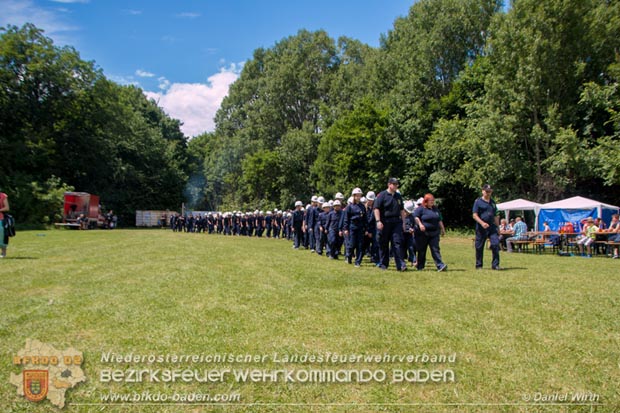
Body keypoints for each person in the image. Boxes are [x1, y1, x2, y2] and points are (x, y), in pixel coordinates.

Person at [373, 177, 407, 271]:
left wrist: (404, 223)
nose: (396, 186)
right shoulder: (382, 195)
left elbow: (401, 210)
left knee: (397, 243)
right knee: (384, 244)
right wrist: (378, 221)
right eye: (394, 184)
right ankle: (384, 264)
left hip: (396, 222)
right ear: (389, 184)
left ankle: (400, 265)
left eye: (397, 184)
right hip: (385, 222)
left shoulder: (398, 196)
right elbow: (376, 208)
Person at [413, 194, 447, 272]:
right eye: (430, 200)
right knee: (422, 250)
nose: (432, 202)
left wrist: (442, 229)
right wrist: (420, 224)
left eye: (433, 200)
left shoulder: (435, 209)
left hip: (434, 233)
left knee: (435, 249)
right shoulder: (420, 209)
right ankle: (420, 266)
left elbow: (439, 219)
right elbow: (416, 217)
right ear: (426, 201)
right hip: (422, 233)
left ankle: (440, 265)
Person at [472, 184, 501, 270]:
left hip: (492, 227)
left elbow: (495, 216)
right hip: (481, 227)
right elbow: (474, 215)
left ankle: (495, 265)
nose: (488, 193)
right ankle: (479, 265)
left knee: (495, 244)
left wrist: (498, 227)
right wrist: (482, 223)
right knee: (479, 246)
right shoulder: (478, 202)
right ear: (482, 191)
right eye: (486, 191)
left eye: (489, 192)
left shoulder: (493, 202)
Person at [343, 188, 367, 267]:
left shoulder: (362, 206)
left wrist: (366, 228)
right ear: (354, 196)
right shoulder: (349, 207)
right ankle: (349, 257)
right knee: (351, 244)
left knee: (360, 245)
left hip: (360, 227)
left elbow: (365, 218)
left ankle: (358, 262)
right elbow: (346, 218)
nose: (358, 197)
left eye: (360, 195)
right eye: (357, 195)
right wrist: (346, 228)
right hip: (352, 227)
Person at [0, 190, 10, 258]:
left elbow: (7, 208)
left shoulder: (3, 196)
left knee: (1, 236)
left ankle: (3, 253)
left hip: (1, 219)